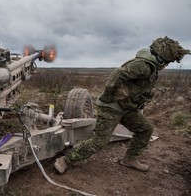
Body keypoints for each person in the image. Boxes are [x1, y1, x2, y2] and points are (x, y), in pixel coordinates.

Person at [54, 36, 190, 174]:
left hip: (127, 108)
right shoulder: (142, 65)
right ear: (160, 59)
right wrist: (107, 97)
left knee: (146, 129)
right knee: (100, 141)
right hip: (112, 107)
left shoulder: (151, 67)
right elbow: (116, 74)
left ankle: (129, 159)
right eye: (166, 62)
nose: (166, 66)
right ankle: (66, 160)